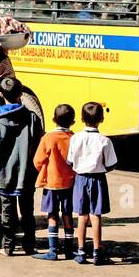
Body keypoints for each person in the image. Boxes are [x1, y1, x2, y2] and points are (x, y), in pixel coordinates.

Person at [0, 77, 45, 256]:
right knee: (27, 212)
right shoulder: (32, 118)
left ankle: (8, 246)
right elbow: (37, 141)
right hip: (26, 174)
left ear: (1, 94)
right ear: (21, 94)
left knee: (7, 212)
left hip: (3, 174)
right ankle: (29, 245)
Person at [67, 102, 118, 266]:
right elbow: (111, 164)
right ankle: (97, 252)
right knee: (96, 216)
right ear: (102, 119)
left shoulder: (75, 138)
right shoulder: (105, 141)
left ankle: (81, 251)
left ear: (81, 118)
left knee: (82, 216)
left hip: (80, 178)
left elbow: (70, 161)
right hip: (98, 179)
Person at [33, 104, 77, 260]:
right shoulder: (73, 138)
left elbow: (38, 161)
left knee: (52, 215)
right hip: (70, 184)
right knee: (67, 215)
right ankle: (69, 250)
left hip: (51, 184)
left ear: (53, 119)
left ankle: (52, 250)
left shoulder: (48, 138)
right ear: (73, 121)